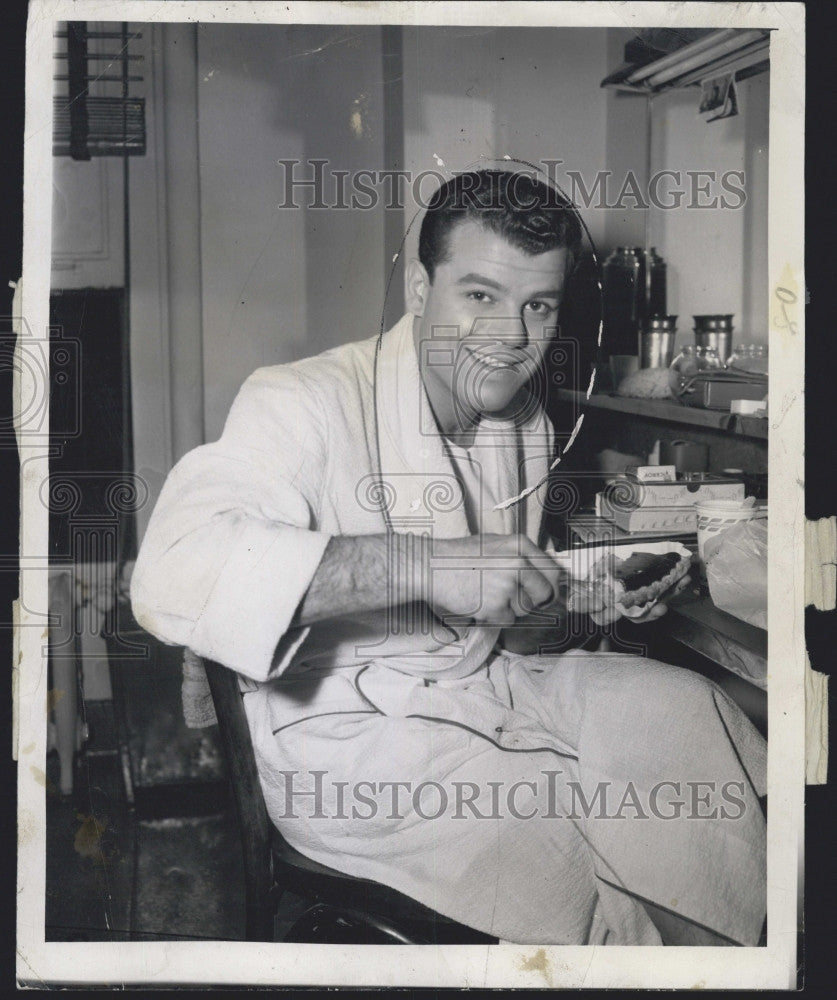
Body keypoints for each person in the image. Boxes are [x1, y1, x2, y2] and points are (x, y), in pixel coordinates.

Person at [131, 170, 766, 946]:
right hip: (351, 737)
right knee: (571, 825)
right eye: (479, 296)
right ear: (418, 286)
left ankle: (724, 958)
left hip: (487, 686)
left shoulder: (522, 422)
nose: (510, 337)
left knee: (680, 710)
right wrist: (425, 564)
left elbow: (499, 632)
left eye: (537, 305)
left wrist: (577, 609)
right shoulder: (300, 400)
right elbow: (171, 572)